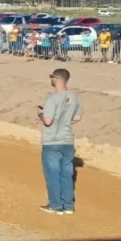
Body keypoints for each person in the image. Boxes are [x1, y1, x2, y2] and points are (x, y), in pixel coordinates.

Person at [38, 68, 82, 215]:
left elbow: (48, 121)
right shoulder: (75, 97)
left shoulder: (52, 99)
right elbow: (77, 117)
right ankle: (68, 206)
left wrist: (40, 115)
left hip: (52, 141)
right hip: (68, 140)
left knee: (53, 174)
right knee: (67, 174)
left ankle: (55, 205)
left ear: (56, 80)